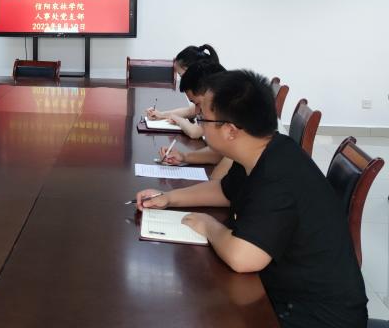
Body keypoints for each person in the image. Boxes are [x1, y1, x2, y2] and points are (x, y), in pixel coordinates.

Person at [136, 70, 367, 328]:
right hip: (284, 293)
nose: (200, 123)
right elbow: (225, 191)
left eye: (204, 118)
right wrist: (169, 198)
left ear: (230, 130)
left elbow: (243, 257)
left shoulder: (278, 176)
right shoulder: (265, 150)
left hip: (315, 316)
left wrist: (209, 225)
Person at [145, 44, 219, 121]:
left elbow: (196, 128)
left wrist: (178, 120)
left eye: (182, 76)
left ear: (193, 71)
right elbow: (189, 111)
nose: (182, 81)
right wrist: (161, 115)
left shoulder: (213, 95)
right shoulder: (207, 89)